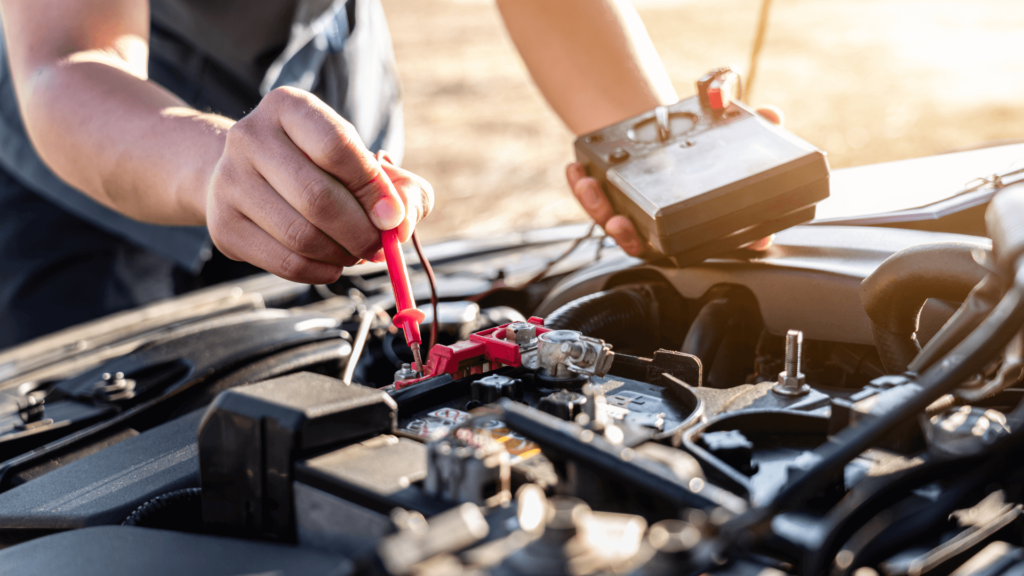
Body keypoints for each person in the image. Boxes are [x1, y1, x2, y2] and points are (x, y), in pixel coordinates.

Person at [0, 0, 749, 348]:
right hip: (92, 152)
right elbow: (65, 53)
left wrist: (670, 172)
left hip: (326, 108)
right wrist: (211, 162)